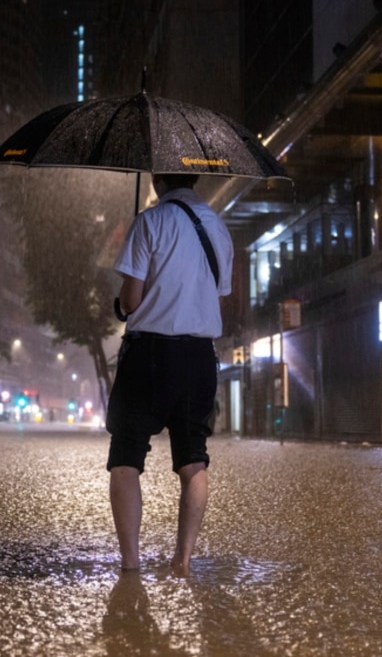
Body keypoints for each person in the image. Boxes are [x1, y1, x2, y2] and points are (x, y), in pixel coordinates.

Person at [106, 172, 234, 576]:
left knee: (126, 458)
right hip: (199, 357)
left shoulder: (149, 222)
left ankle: (131, 564)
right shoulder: (218, 227)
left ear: (157, 178)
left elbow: (131, 299)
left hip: (149, 354)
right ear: (194, 176)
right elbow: (215, 294)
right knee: (193, 461)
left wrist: (123, 304)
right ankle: (183, 560)